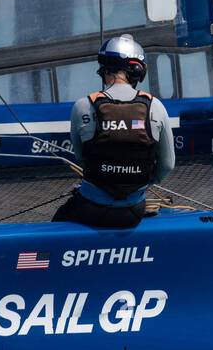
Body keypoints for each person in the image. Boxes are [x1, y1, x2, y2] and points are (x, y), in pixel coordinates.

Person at [53, 34, 177, 228]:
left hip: (90, 208)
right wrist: (144, 182)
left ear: (105, 70)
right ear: (137, 70)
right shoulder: (156, 106)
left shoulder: (83, 106)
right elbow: (168, 164)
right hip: (133, 210)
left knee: (59, 219)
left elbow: (81, 157)